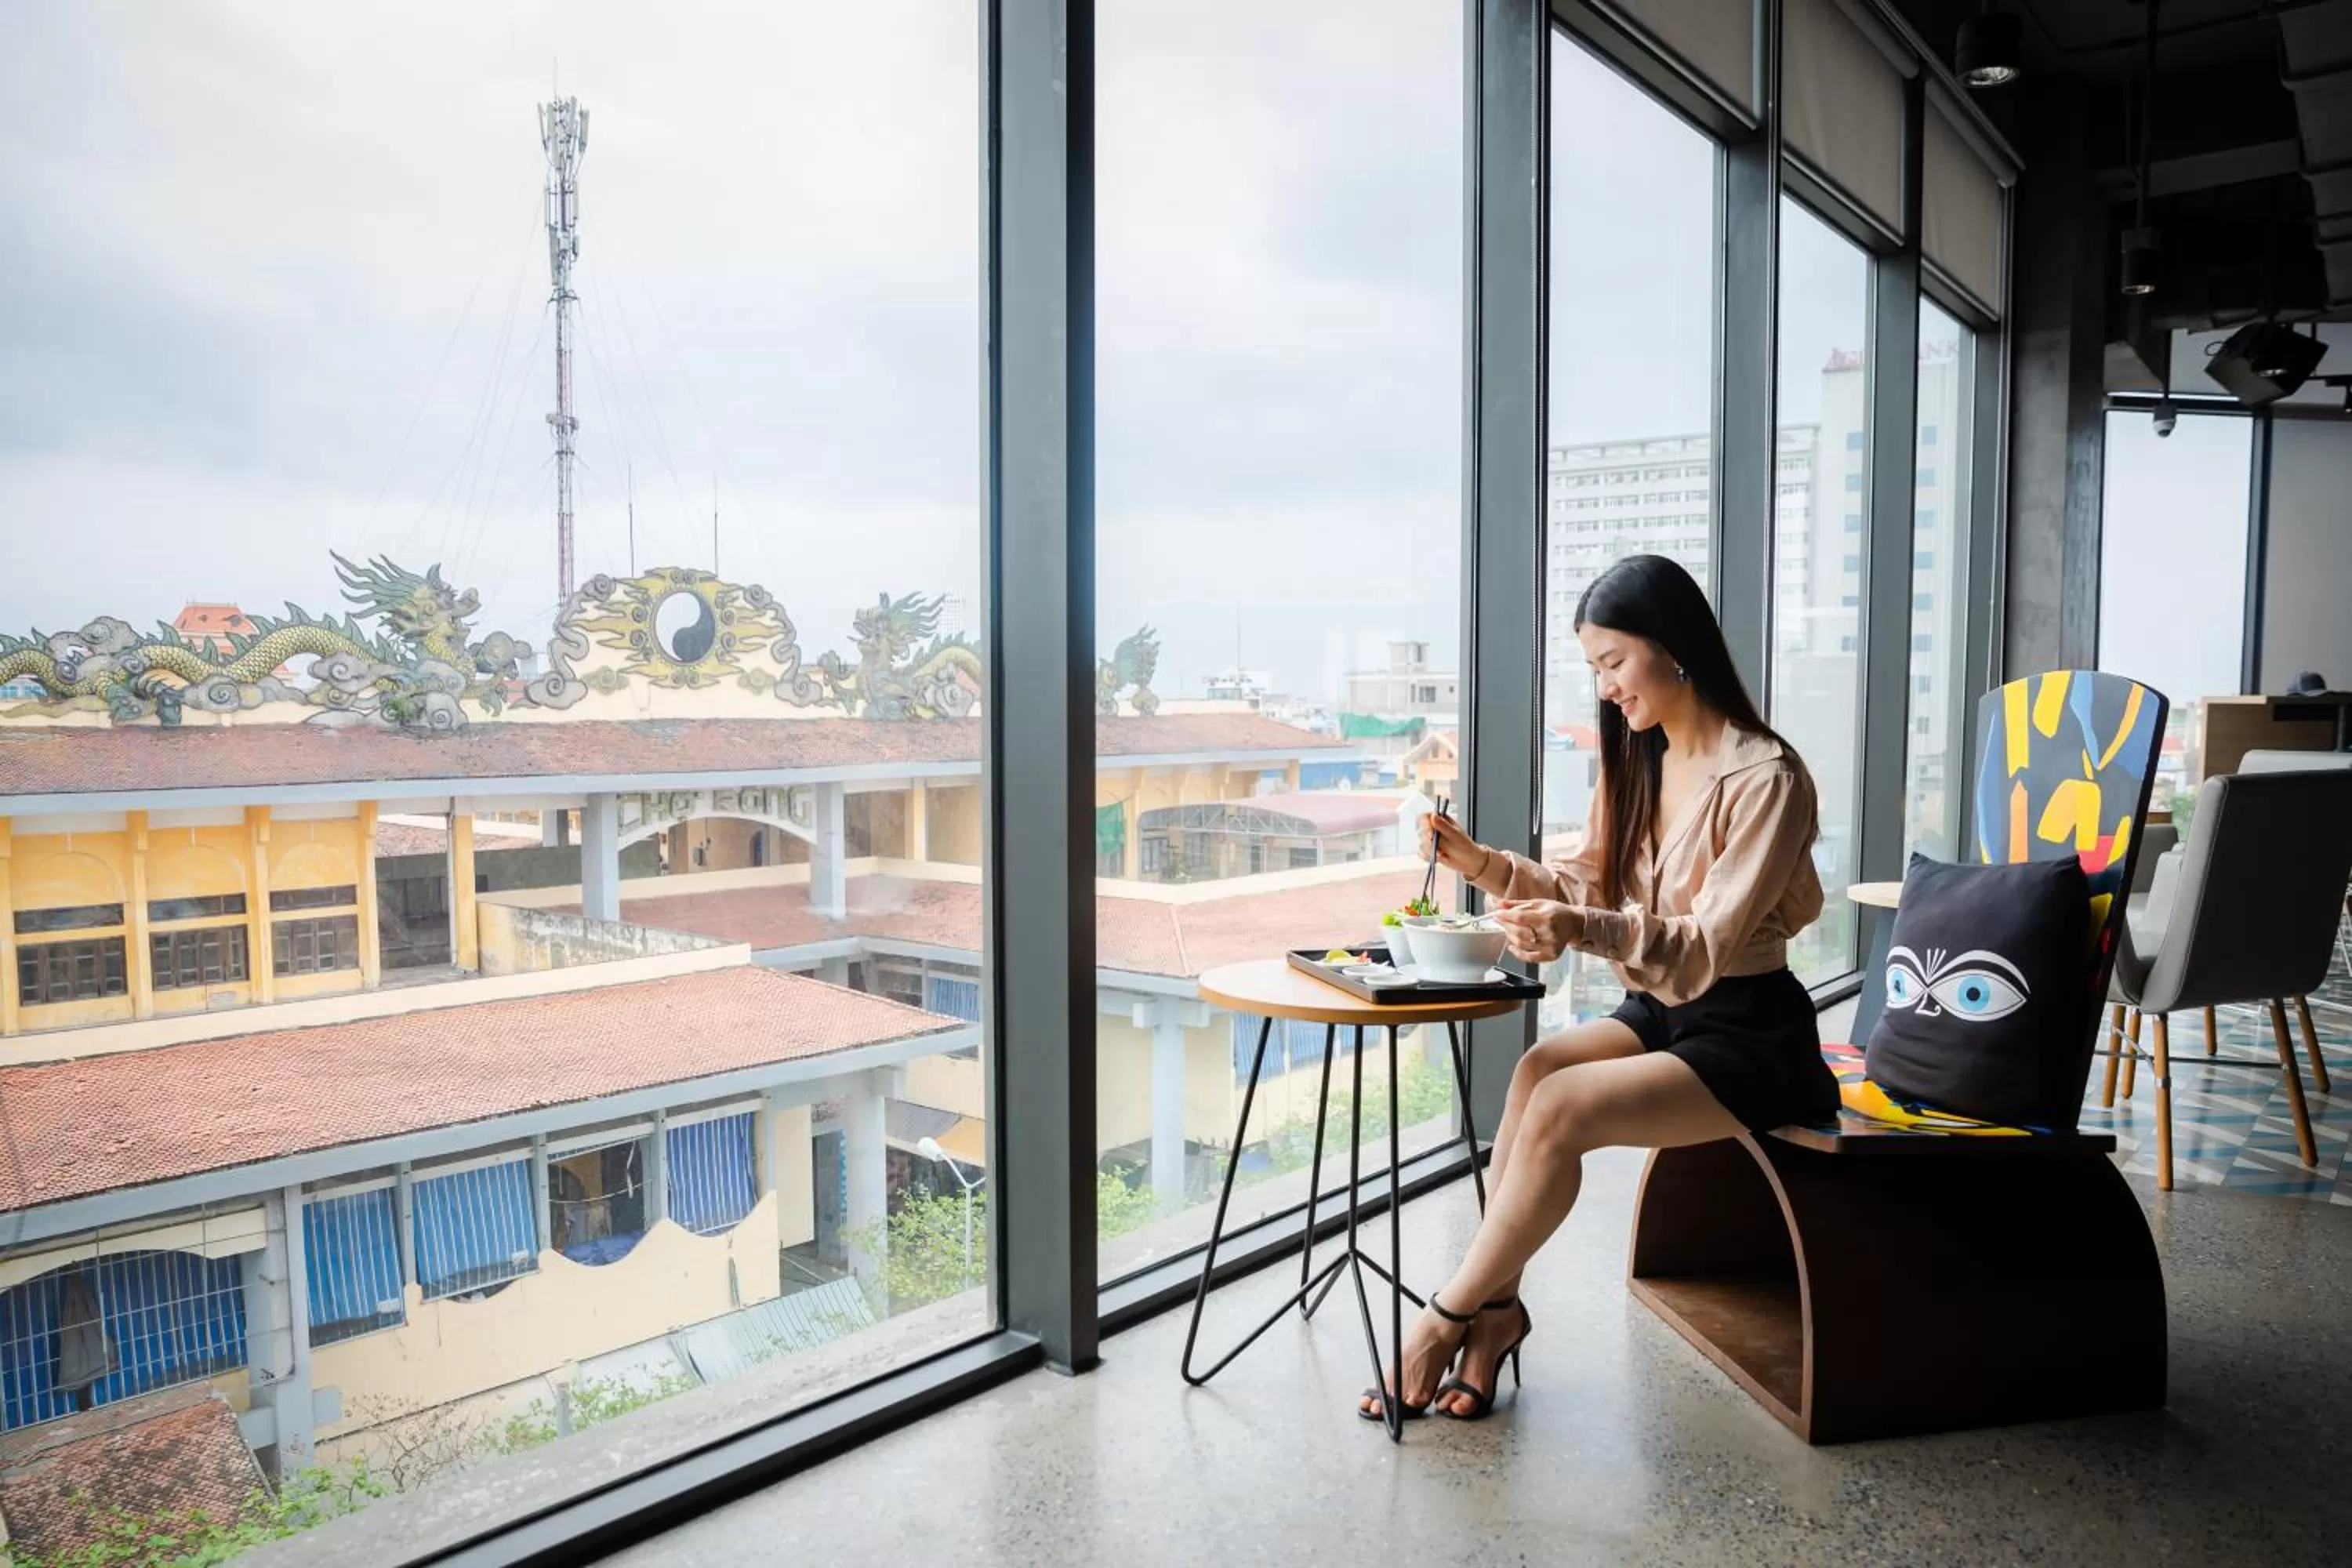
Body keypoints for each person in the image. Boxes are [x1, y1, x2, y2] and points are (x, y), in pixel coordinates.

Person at [1361, 554, 1837, 1424]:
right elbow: (1585, 883)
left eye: (1614, 662)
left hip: (1749, 1030)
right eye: (1595, 669)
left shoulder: (1768, 777)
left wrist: (1582, 928)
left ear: (1675, 645)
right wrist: (1483, 863)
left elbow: (1705, 947)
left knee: (1563, 1106)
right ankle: (1497, 1311)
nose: (1607, 688)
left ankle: (1444, 1316)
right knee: (1539, 1071)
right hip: (1663, 1010)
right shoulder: (1641, 760)